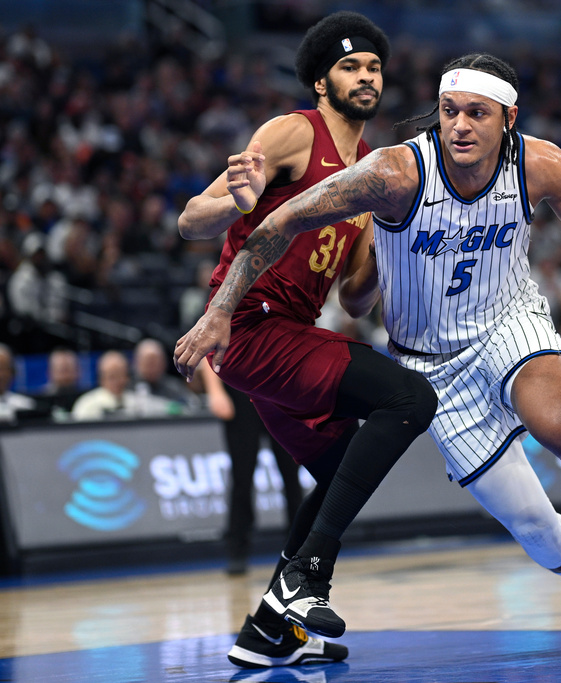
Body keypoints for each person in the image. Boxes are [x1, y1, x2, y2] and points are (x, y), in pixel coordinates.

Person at [176, 52, 561, 655]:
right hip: (429, 360)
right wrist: (228, 306)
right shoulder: (393, 175)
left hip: (511, 323)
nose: (460, 125)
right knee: (533, 528)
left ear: (507, 117)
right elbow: (308, 256)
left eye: (477, 113)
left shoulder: (539, 161)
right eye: (450, 111)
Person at [173, 12, 437, 669]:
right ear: (323, 82)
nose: (366, 76)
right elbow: (189, 218)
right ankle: (305, 579)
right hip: (249, 322)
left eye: (374, 66)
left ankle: (269, 627)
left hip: (290, 335)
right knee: (408, 399)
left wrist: (392, 247)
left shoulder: (373, 177)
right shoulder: (295, 131)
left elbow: (352, 298)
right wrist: (238, 199)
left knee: (340, 465)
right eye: (351, 67)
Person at [196, 361, 302, 576]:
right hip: (240, 391)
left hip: (277, 391)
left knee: (291, 474)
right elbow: (210, 351)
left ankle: (300, 550)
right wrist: (215, 391)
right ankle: (237, 550)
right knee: (242, 476)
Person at [131, 338, 201, 413]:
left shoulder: (174, 387)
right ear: (137, 363)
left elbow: (192, 406)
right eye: (148, 362)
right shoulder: (128, 387)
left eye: (155, 362)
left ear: (164, 363)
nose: (152, 367)